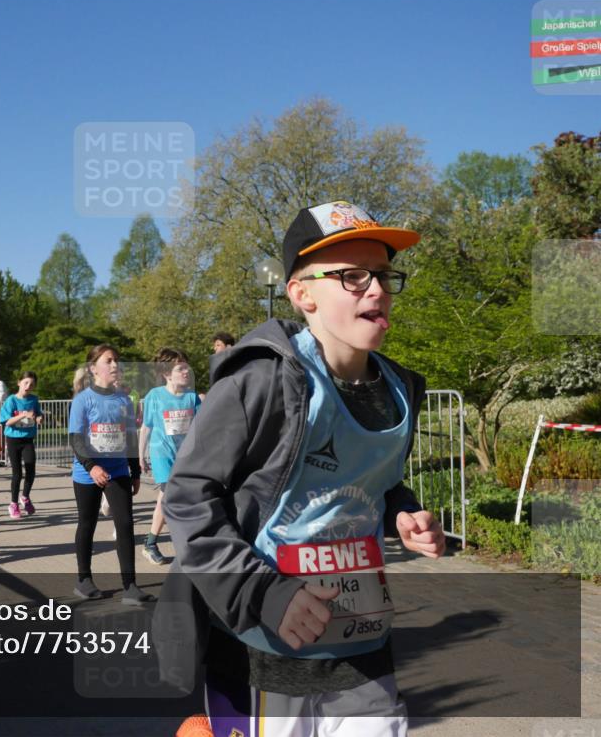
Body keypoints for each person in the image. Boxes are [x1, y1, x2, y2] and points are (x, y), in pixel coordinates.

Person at [161, 201, 447, 736]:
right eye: (352, 276)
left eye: (383, 275)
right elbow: (188, 498)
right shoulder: (261, 383)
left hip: (360, 638)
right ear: (302, 294)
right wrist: (264, 593)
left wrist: (402, 514)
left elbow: (371, 485)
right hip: (262, 643)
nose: (376, 288)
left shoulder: (401, 389)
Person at [68, 344, 153, 606]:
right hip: (87, 472)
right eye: (109, 360)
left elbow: (129, 437)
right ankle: (84, 580)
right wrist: (92, 466)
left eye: (117, 360)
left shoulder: (124, 400)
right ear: (94, 369)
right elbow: (76, 439)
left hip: (117, 471)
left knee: (125, 525)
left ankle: (130, 587)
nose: (116, 365)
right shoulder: (83, 400)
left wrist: (135, 471)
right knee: (88, 523)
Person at [138, 348, 200, 565]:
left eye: (186, 367)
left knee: (168, 500)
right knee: (169, 496)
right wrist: (141, 456)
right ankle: (169, 544)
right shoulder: (154, 396)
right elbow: (146, 428)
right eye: (180, 368)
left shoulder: (191, 397)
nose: (186, 371)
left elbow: (200, 427)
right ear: (167, 373)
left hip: (184, 456)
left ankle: (151, 543)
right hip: (161, 454)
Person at [0, 371, 43, 518]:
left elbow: (37, 414)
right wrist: (23, 415)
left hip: (28, 439)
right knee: (17, 473)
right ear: (19, 382)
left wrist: (38, 419)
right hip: (13, 440)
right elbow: (7, 422)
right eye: (26, 383)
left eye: (31, 384)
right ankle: (13, 504)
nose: (28, 386)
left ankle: (25, 497)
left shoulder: (34, 399)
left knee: (31, 469)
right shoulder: (11, 400)